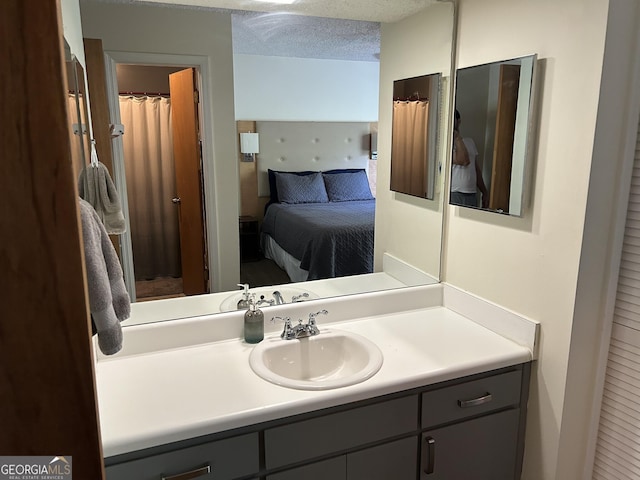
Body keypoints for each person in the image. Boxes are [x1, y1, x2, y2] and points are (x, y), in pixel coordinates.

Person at [450, 109, 489, 208]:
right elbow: (463, 160)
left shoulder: (470, 142)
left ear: (458, 121)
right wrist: (457, 138)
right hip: (454, 193)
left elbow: (476, 169)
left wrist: (484, 192)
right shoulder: (447, 145)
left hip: (472, 193)